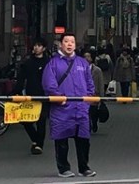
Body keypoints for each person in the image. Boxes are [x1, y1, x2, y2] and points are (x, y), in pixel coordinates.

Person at [42, 33, 96, 178]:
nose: (69, 44)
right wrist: (59, 98)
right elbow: (49, 84)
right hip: (62, 109)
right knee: (61, 139)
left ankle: (84, 167)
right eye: (66, 41)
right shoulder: (53, 64)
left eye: (72, 41)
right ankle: (63, 168)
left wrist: (88, 98)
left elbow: (90, 83)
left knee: (83, 139)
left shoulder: (82, 63)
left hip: (81, 108)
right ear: (61, 44)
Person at [16, 37, 51, 155]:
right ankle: (35, 139)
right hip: (29, 95)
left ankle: (39, 145)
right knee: (25, 120)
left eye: (39, 45)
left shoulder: (49, 63)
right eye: (35, 45)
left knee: (41, 120)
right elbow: (21, 78)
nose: (36, 48)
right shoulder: (28, 63)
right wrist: (17, 91)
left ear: (44, 48)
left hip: (44, 95)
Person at [84, 52, 105, 133]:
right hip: (84, 94)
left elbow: (101, 83)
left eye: (88, 56)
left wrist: (102, 96)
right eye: (85, 57)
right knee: (86, 111)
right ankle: (88, 125)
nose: (86, 58)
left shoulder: (97, 70)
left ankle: (94, 122)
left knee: (93, 111)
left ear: (91, 58)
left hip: (94, 94)